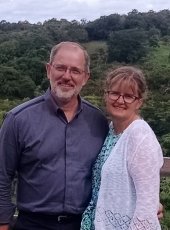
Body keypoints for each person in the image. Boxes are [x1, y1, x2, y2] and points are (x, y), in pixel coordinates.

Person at [0, 41, 109, 230]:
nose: (67, 76)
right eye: (61, 68)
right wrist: (2, 223)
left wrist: (147, 202)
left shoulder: (99, 121)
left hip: (83, 224)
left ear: (85, 77)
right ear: (49, 70)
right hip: (32, 224)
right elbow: (2, 175)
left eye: (75, 70)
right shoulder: (18, 119)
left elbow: (114, 172)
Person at [81, 66, 164, 230]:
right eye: (115, 93)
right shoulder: (111, 130)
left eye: (128, 96)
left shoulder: (140, 135)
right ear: (106, 95)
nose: (120, 100)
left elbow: (147, 207)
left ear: (139, 102)